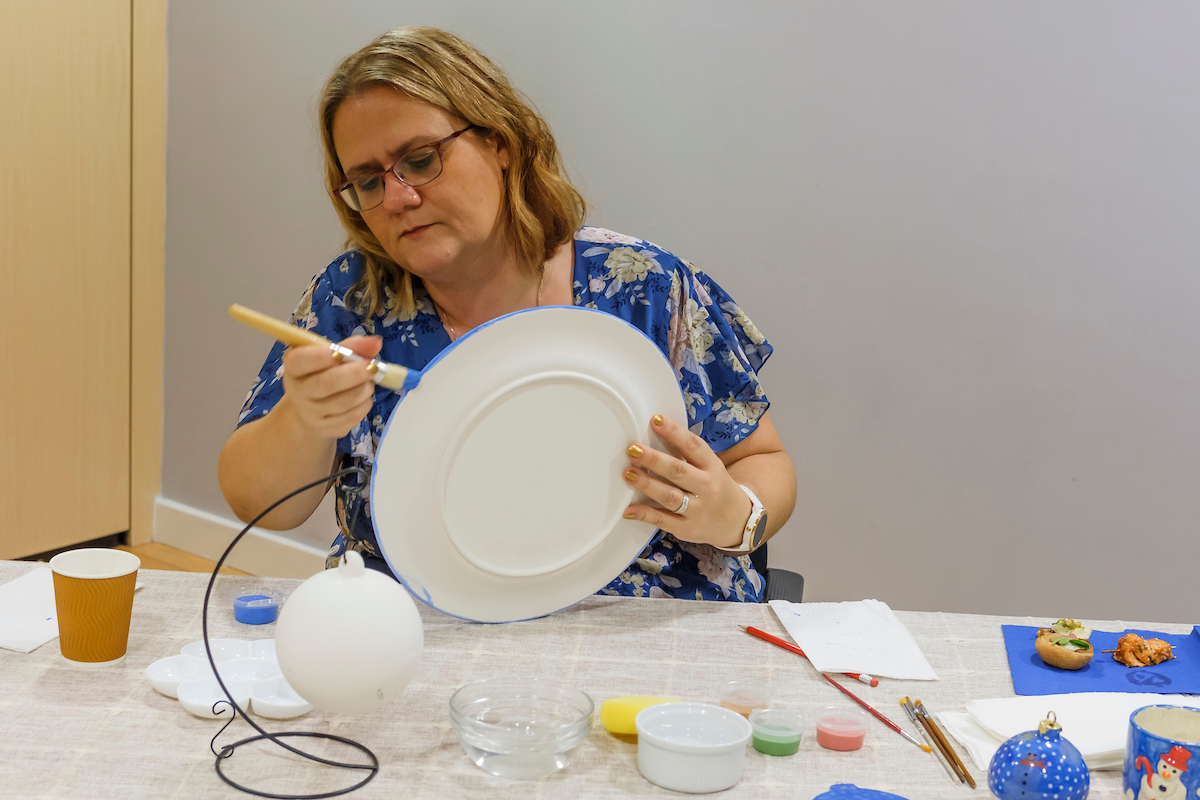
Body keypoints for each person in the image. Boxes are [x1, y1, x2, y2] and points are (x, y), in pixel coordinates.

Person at [217, 26, 797, 602]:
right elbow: (259, 504)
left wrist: (734, 515)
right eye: (367, 182)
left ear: (500, 141)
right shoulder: (353, 302)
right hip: (415, 626)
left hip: (641, 617)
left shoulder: (642, 286)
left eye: (419, 160)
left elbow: (761, 458)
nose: (397, 198)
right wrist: (304, 418)